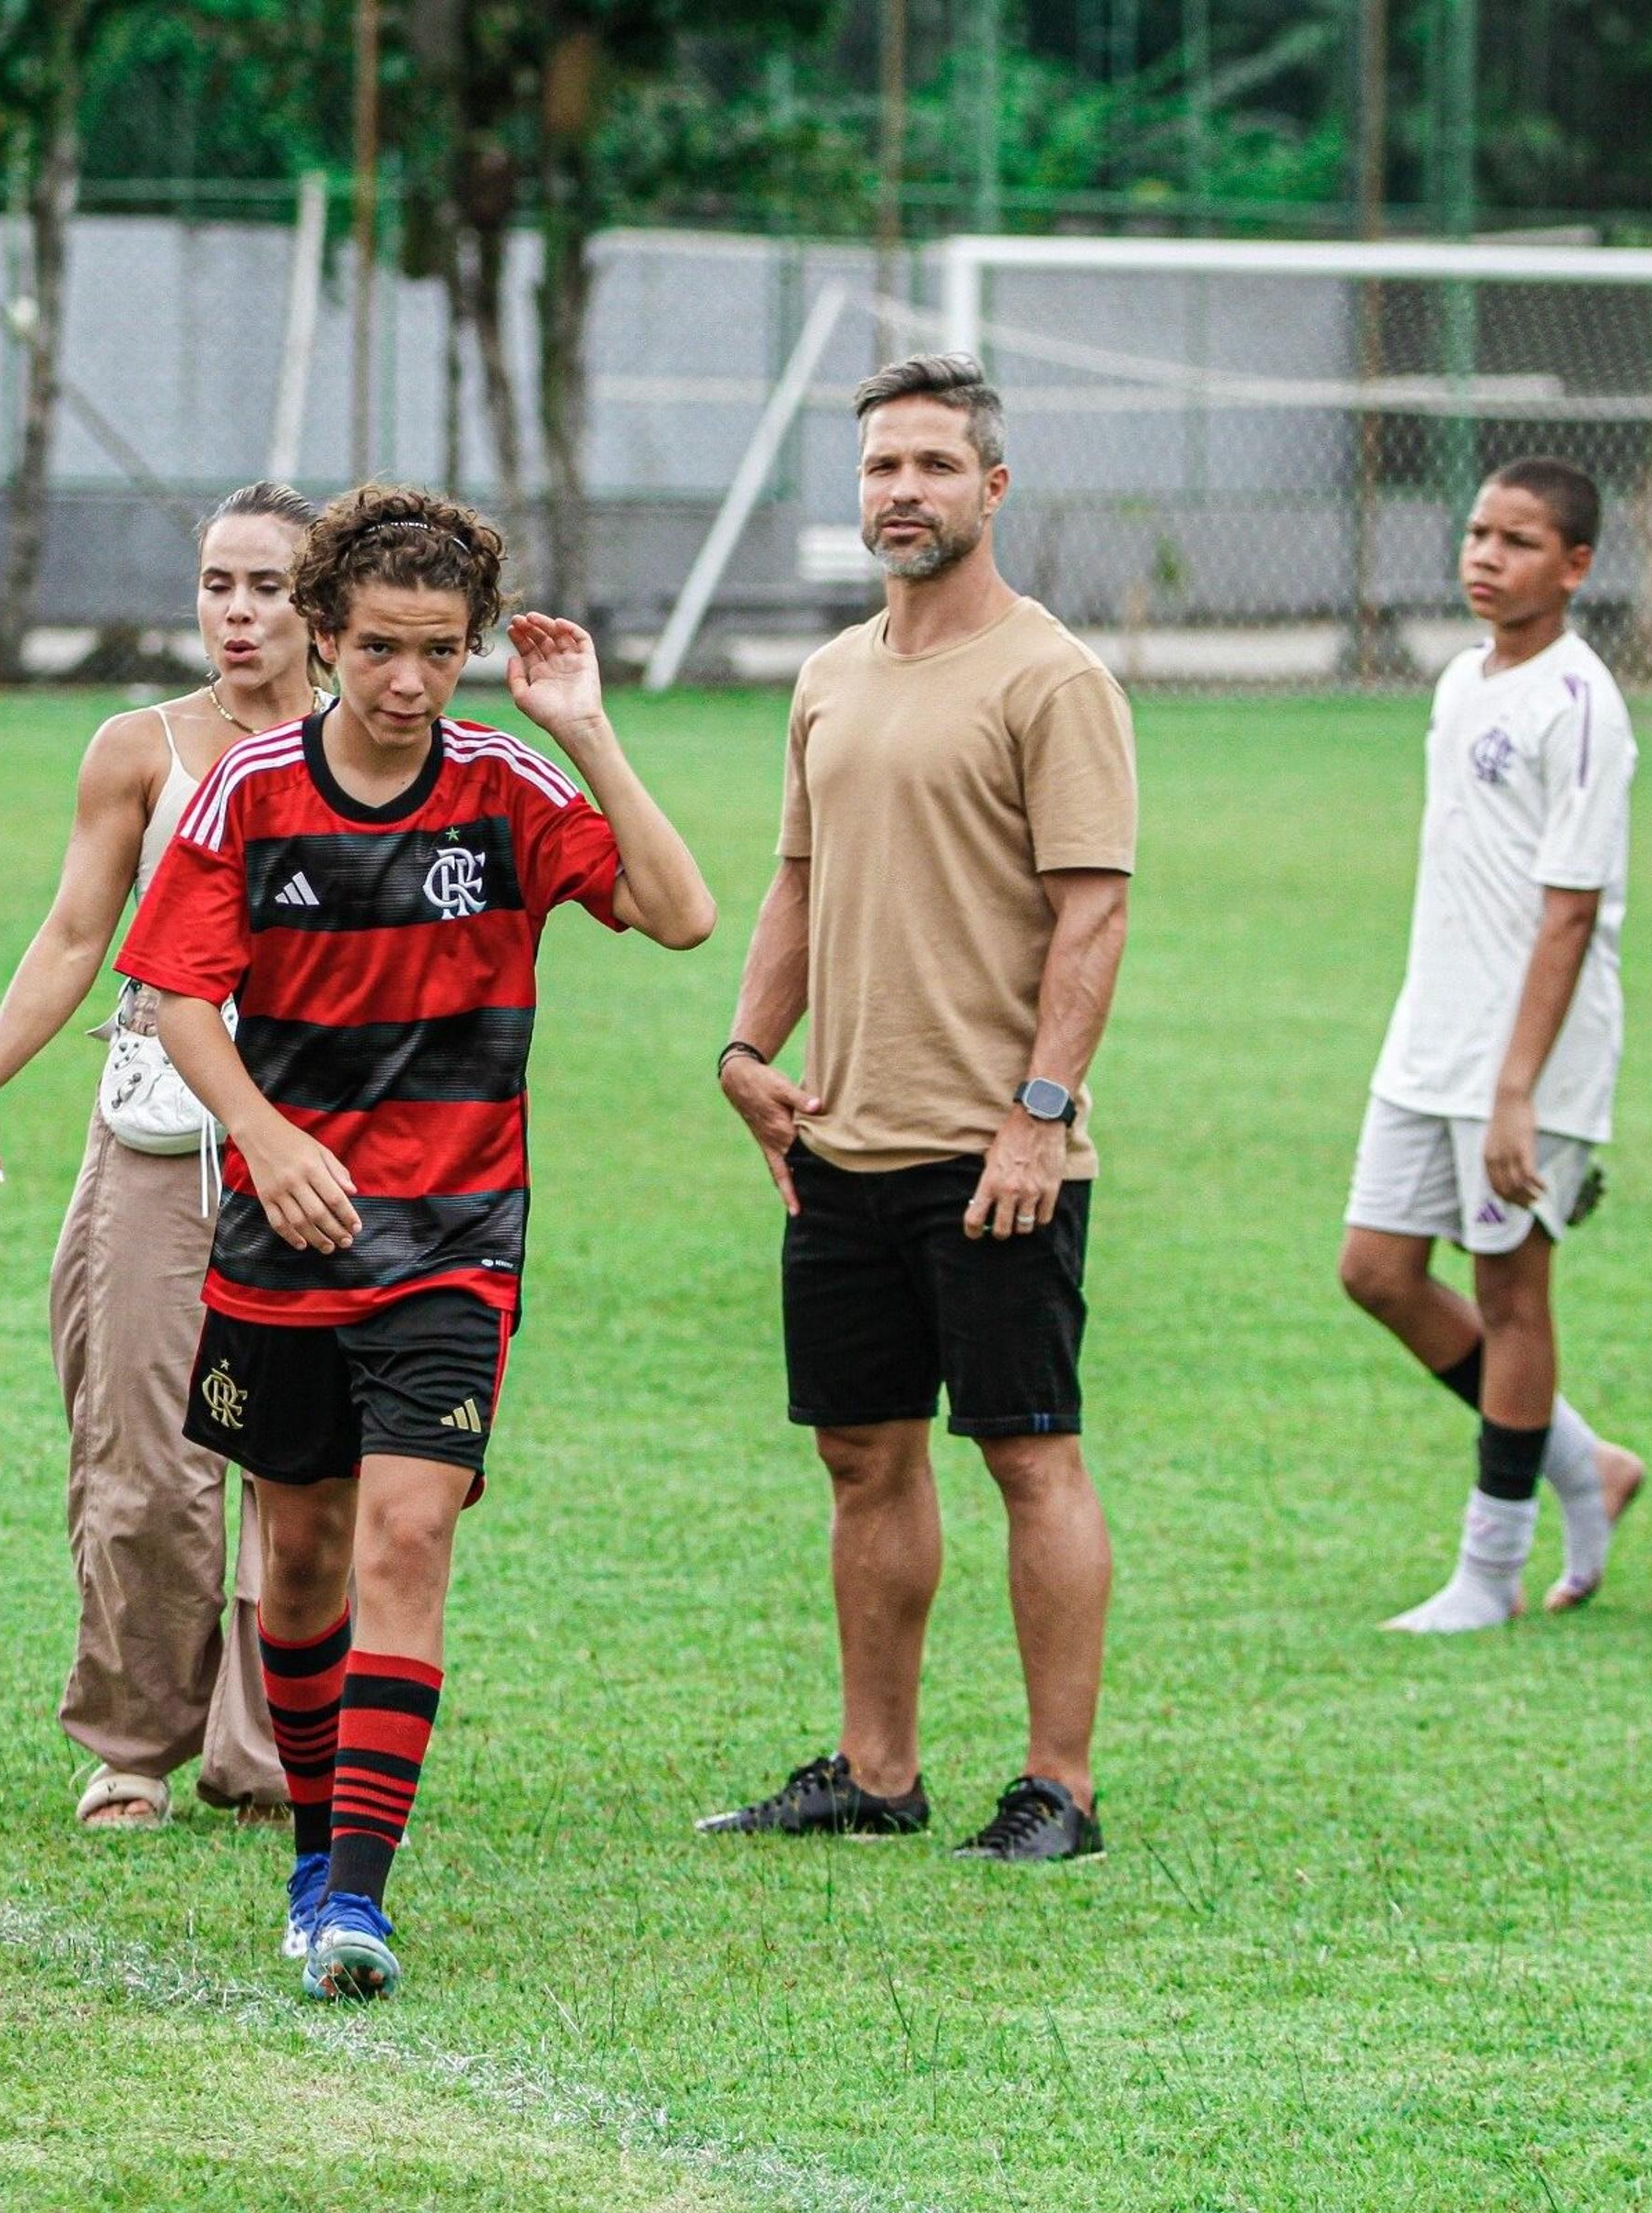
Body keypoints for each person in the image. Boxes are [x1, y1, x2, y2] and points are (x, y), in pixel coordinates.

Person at [115, 483, 716, 2000]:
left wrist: (585, 726)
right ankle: (318, 1847)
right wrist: (265, 1133)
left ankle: (357, 1903)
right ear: (323, 638)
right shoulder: (245, 793)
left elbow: (683, 910)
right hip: (280, 1233)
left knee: (406, 1539)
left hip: (454, 1239)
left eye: (440, 652)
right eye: (379, 647)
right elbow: (180, 997)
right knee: (301, 1563)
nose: (408, 681)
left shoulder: (505, 786)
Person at [701, 352, 1135, 1865]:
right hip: (844, 1146)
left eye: (935, 465)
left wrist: (1038, 1112)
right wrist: (750, 1053)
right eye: (883, 465)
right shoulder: (830, 675)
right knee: (863, 1457)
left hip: (995, 1153)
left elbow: (1093, 917)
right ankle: (876, 1773)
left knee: (1029, 1452)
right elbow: (801, 883)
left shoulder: (1051, 677)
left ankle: (1058, 1788)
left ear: (993, 488)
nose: (904, 491)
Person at [0, 482, 326, 1830]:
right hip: (159, 1136)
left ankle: (271, 1749)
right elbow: (70, 937)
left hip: (325, 1151)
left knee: (302, 1463)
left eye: (268, 587)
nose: (237, 613)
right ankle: (134, 1744)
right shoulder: (139, 750)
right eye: (218, 584)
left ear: (320, 601)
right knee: (144, 1459)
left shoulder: (380, 749)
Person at [1339, 458, 1649, 1633]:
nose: (1485, 556)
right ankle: (1585, 1465)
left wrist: (1517, 1091)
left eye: (1517, 541)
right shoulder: (1463, 679)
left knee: (1511, 1293)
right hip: (1431, 1037)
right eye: (1476, 532)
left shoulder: (1581, 705)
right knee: (1375, 1269)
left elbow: (1568, 912)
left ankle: (1489, 1571)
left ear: (1574, 567)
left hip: (1534, 1062)